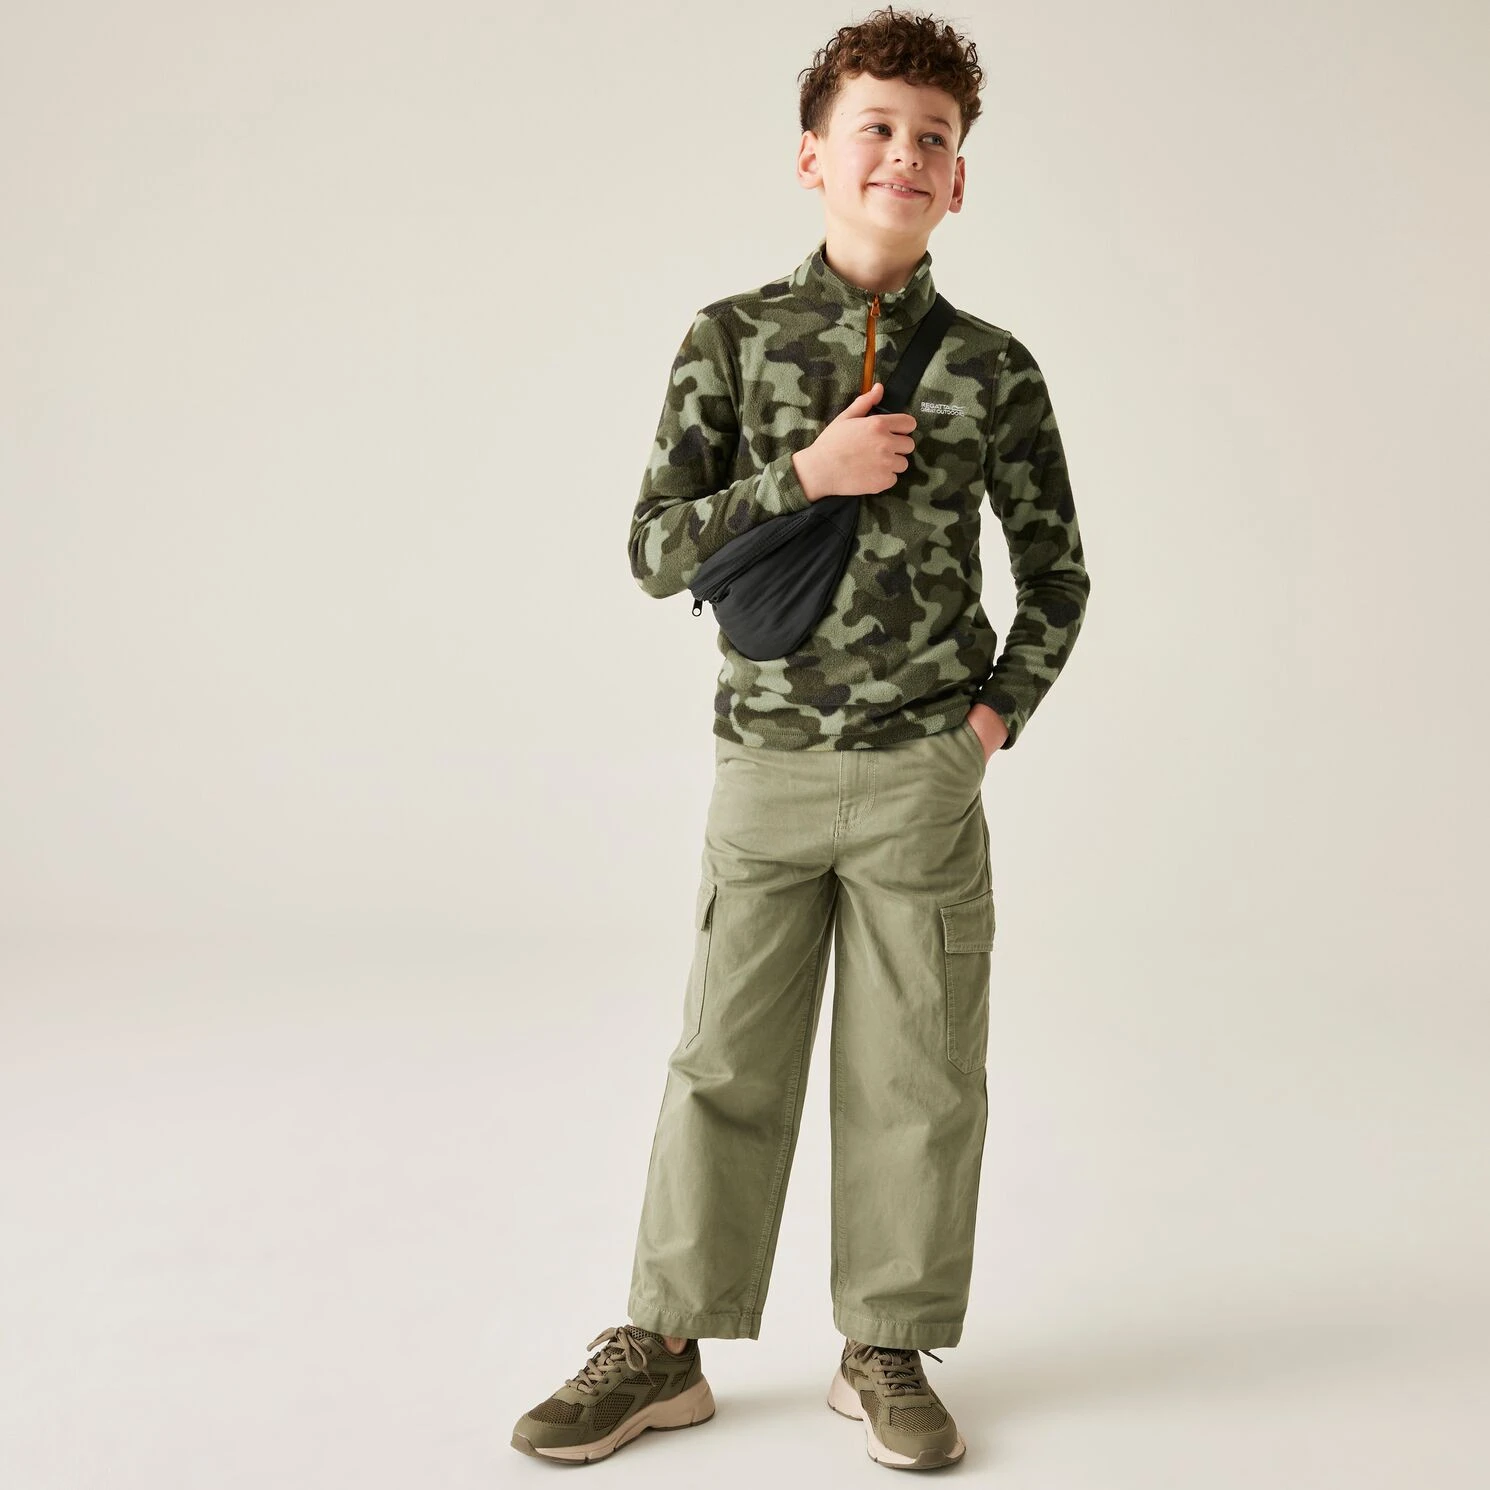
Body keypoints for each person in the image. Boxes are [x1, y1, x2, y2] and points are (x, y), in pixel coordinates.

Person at [511, 5, 1090, 1470]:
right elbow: (654, 550)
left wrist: (987, 722)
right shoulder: (730, 339)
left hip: (922, 779)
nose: (903, 153)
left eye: (932, 137)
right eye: (874, 127)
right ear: (812, 157)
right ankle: (663, 1344)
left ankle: (884, 1342)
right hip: (762, 768)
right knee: (723, 1061)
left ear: (959, 179)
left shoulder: (994, 368)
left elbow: (1058, 573)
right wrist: (804, 474)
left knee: (920, 1076)